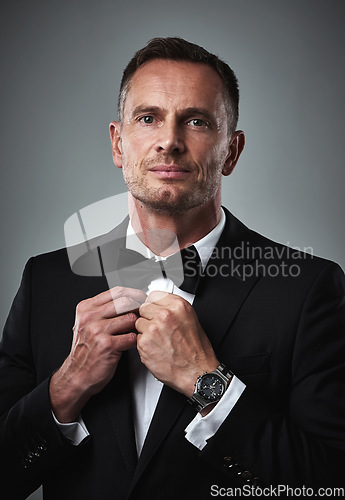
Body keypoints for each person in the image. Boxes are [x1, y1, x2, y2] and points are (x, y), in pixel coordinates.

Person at [1, 37, 344, 500]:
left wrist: (211, 385)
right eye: (148, 118)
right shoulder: (45, 283)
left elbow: (328, 485)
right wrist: (67, 386)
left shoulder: (309, 289)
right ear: (118, 143)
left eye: (197, 121)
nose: (169, 141)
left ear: (232, 151)